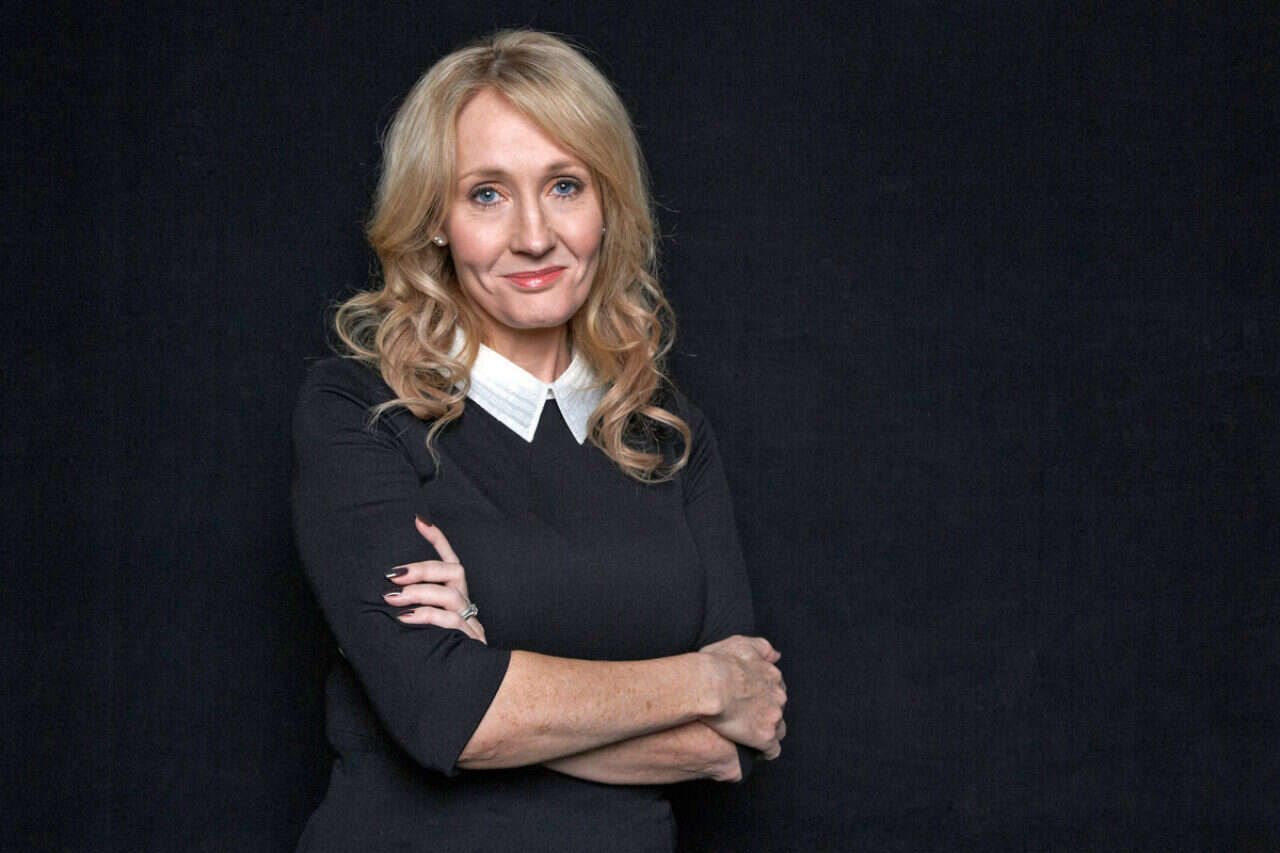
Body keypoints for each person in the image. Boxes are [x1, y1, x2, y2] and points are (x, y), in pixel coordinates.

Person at [291, 30, 786, 852]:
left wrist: (489, 674)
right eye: (486, 194)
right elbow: (441, 713)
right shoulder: (361, 410)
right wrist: (704, 681)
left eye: (564, 185)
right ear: (436, 219)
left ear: (607, 205)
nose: (532, 235)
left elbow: (732, 740)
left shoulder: (667, 434)